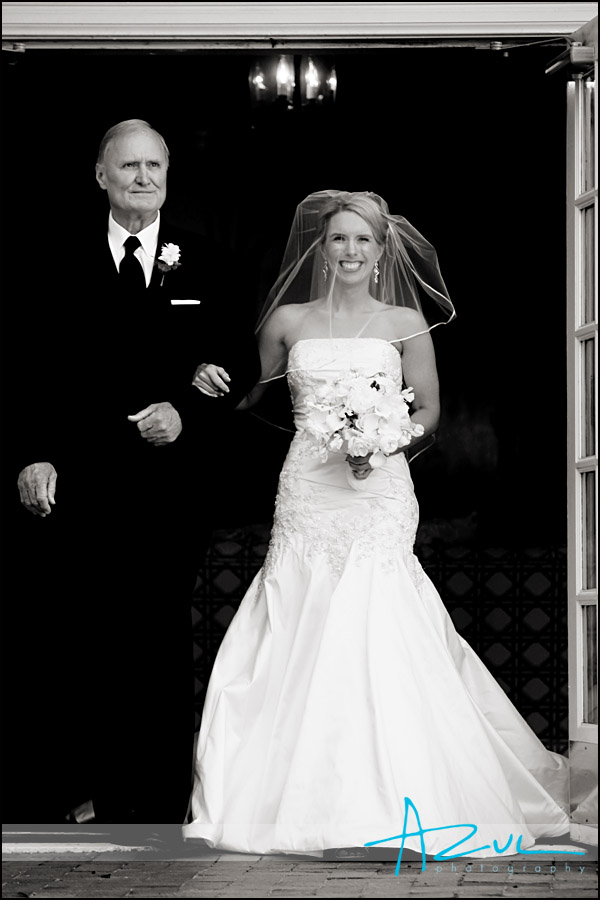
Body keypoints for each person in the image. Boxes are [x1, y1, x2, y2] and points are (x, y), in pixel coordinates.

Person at [182, 190, 569, 858]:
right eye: (338, 240)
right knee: (300, 615)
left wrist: (385, 441)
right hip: (307, 487)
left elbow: (431, 413)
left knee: (377, 619)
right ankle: (284, 802)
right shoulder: (288, 319)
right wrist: (203, 375)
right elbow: (248, 392)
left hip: (378, 492)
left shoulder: (404, 321)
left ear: (381, 249)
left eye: (362, 240)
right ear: (320, 248)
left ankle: (392, 798)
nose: (350, 251)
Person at [9, 119, 261, 828]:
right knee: (75, 641)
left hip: (166, 490)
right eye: (129, 167)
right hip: (76, 487)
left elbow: (236, 363)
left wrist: (185, 412)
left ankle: (154, 802)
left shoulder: (206, 260)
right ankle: (77, 792)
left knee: (155, 644)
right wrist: (32, 451)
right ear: (102, 176)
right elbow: (22, 364)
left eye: (154, 166)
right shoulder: (49, 257)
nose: (143, 178)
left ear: (168, 173)